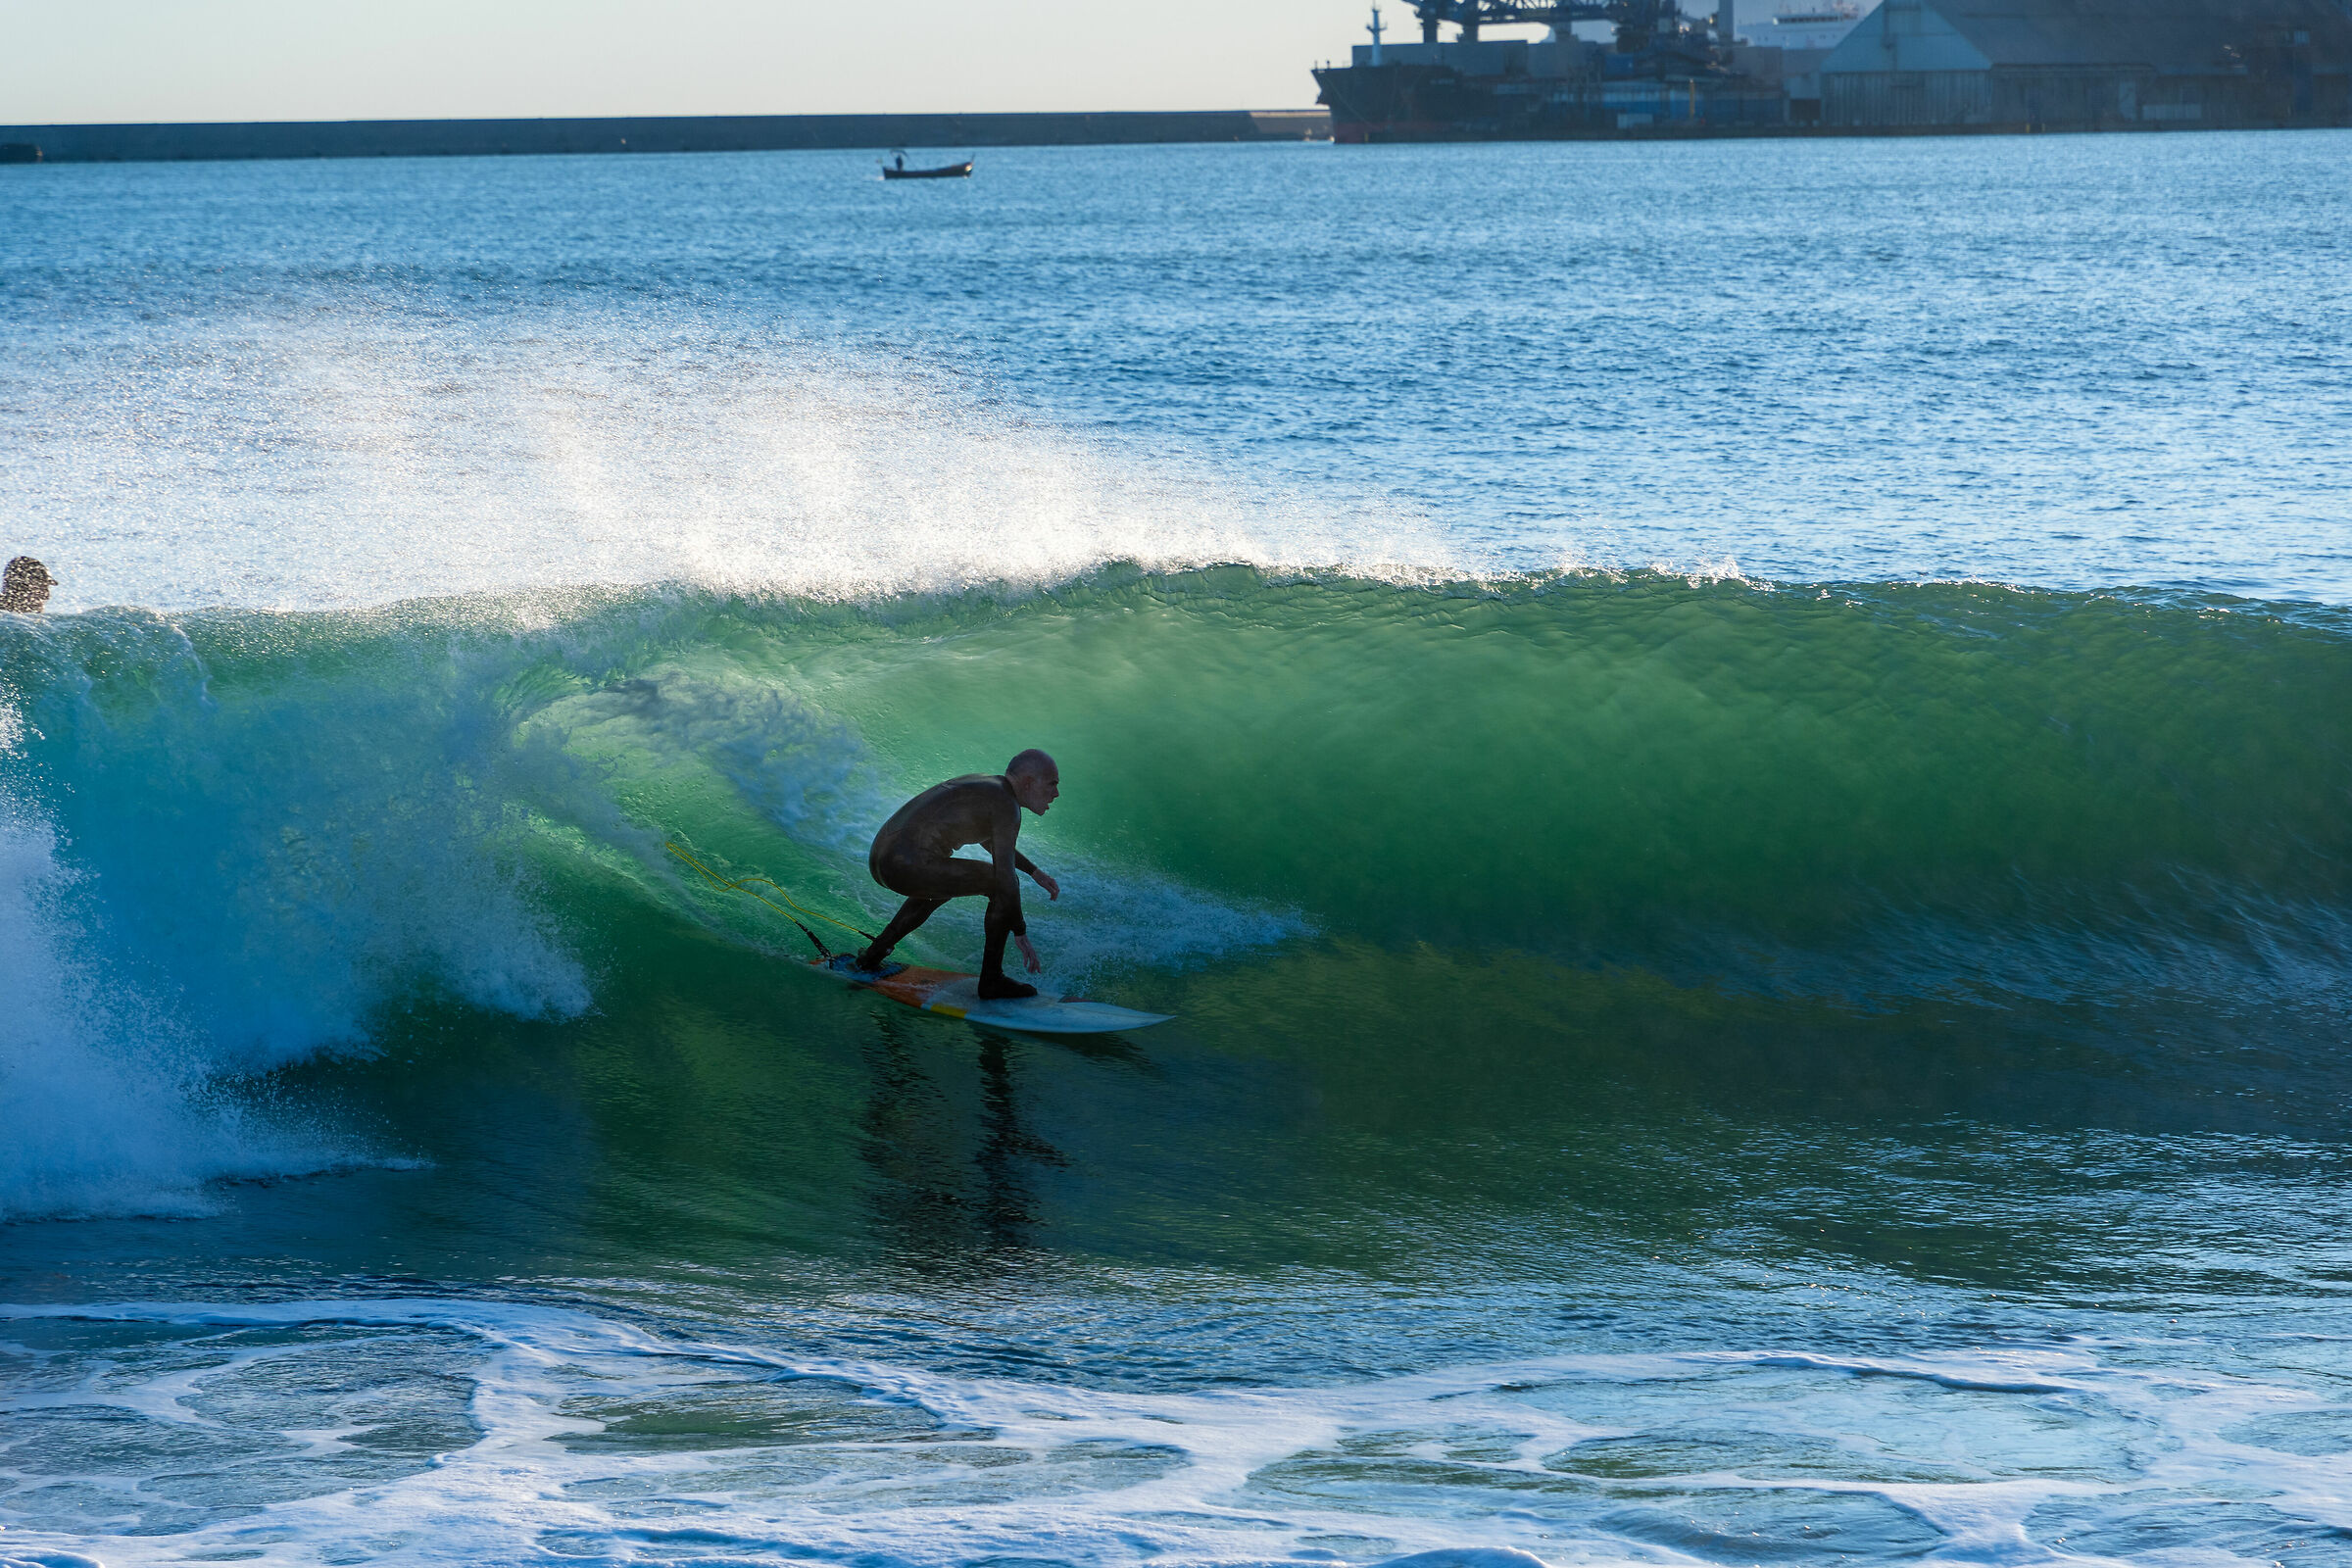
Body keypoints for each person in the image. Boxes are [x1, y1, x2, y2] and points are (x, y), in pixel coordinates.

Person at [854, 749, 1061, 999]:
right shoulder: (1007, 805)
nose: (1056, 793)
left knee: (943, 885)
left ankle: (873, 956)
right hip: (906, 863)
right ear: (1028, 782)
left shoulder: (990, 786)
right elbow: (1005, 878)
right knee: (998, 885)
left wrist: (1034, 871)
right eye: (1052, 784)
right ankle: (992, 980)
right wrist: (1020, 930)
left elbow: (989, 840)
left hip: (884, 858)